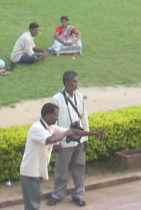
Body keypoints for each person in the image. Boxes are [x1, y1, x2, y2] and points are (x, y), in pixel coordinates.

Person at [20, 103, 102, 210]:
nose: (57, 118)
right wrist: (65, 134)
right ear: (48, 115)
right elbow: (50, 140)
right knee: (32, 204)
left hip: (36, 172)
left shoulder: (50, 127)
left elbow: (73, 131)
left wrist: (94, 133)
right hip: (30, 173)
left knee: (34, 202)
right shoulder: (37, 128)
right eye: (56, 115)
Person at [48, 70, 90, 206]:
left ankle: (79, 194)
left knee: (79, 167)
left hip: (79, 139)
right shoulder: (57, 99)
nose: (75, 84)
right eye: (72, 82)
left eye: (76, 81)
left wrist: (86, 138)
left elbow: (84, 117)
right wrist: (56, 141)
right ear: (66, 83)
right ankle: (58, 194)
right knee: (61, 169)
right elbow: (53, 122)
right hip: (64, 141)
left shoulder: (79, 96)